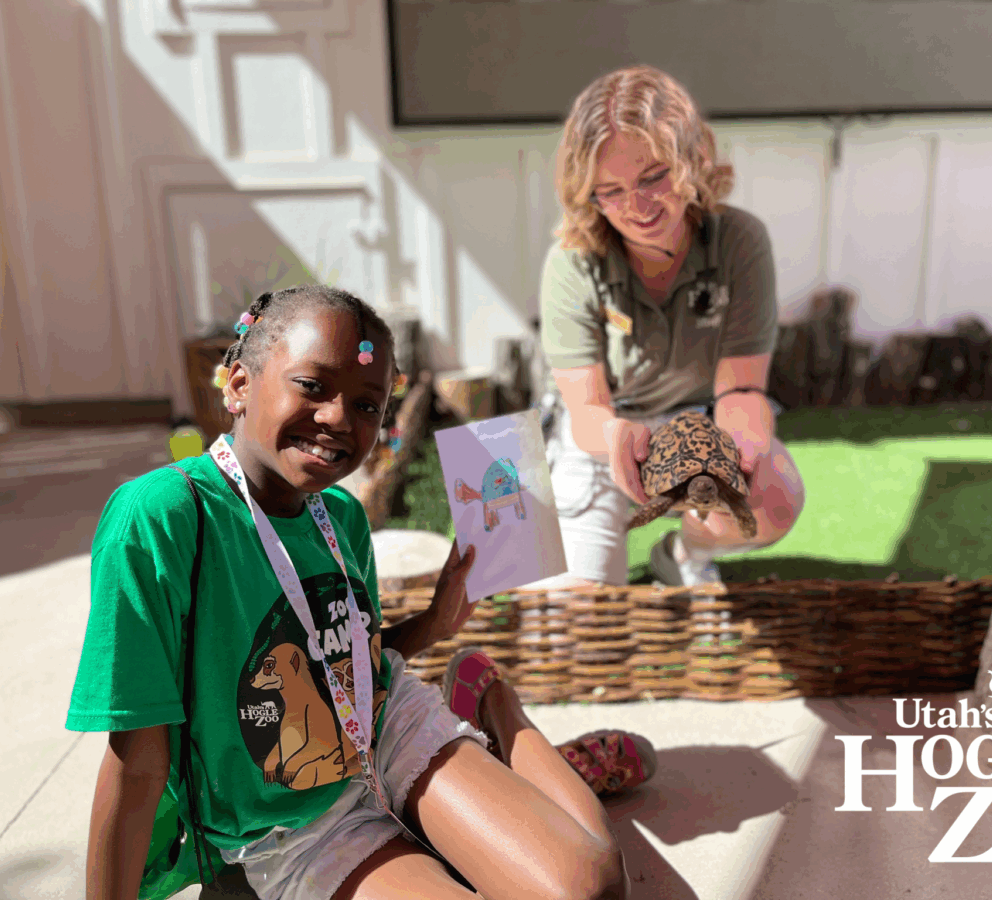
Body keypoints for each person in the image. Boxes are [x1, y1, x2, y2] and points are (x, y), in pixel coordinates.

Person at [66, 284, 657, 900]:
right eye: (313, 386)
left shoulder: (340, 516)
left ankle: (493, 706)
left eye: (369, 405)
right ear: (239, 385)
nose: (339, 419)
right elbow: (137, 759)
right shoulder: (161, 517)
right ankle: (498, 766)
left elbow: (355, 667)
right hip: (292, 828)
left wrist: (435, 622)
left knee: (592, 889)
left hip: (388, 734)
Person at [537, 64, 807, 588]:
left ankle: (683, 554)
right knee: (568, 620)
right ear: (586, 193)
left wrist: (743, 445)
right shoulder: (572, 262)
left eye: (653, 177)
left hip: (702, 423)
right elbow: (588, 409)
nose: (636, 208)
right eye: (608, 191)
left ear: (691, 160)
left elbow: (743, 386)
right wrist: (616, 437)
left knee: (775, 499)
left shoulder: (739, 240)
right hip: (606, 435)